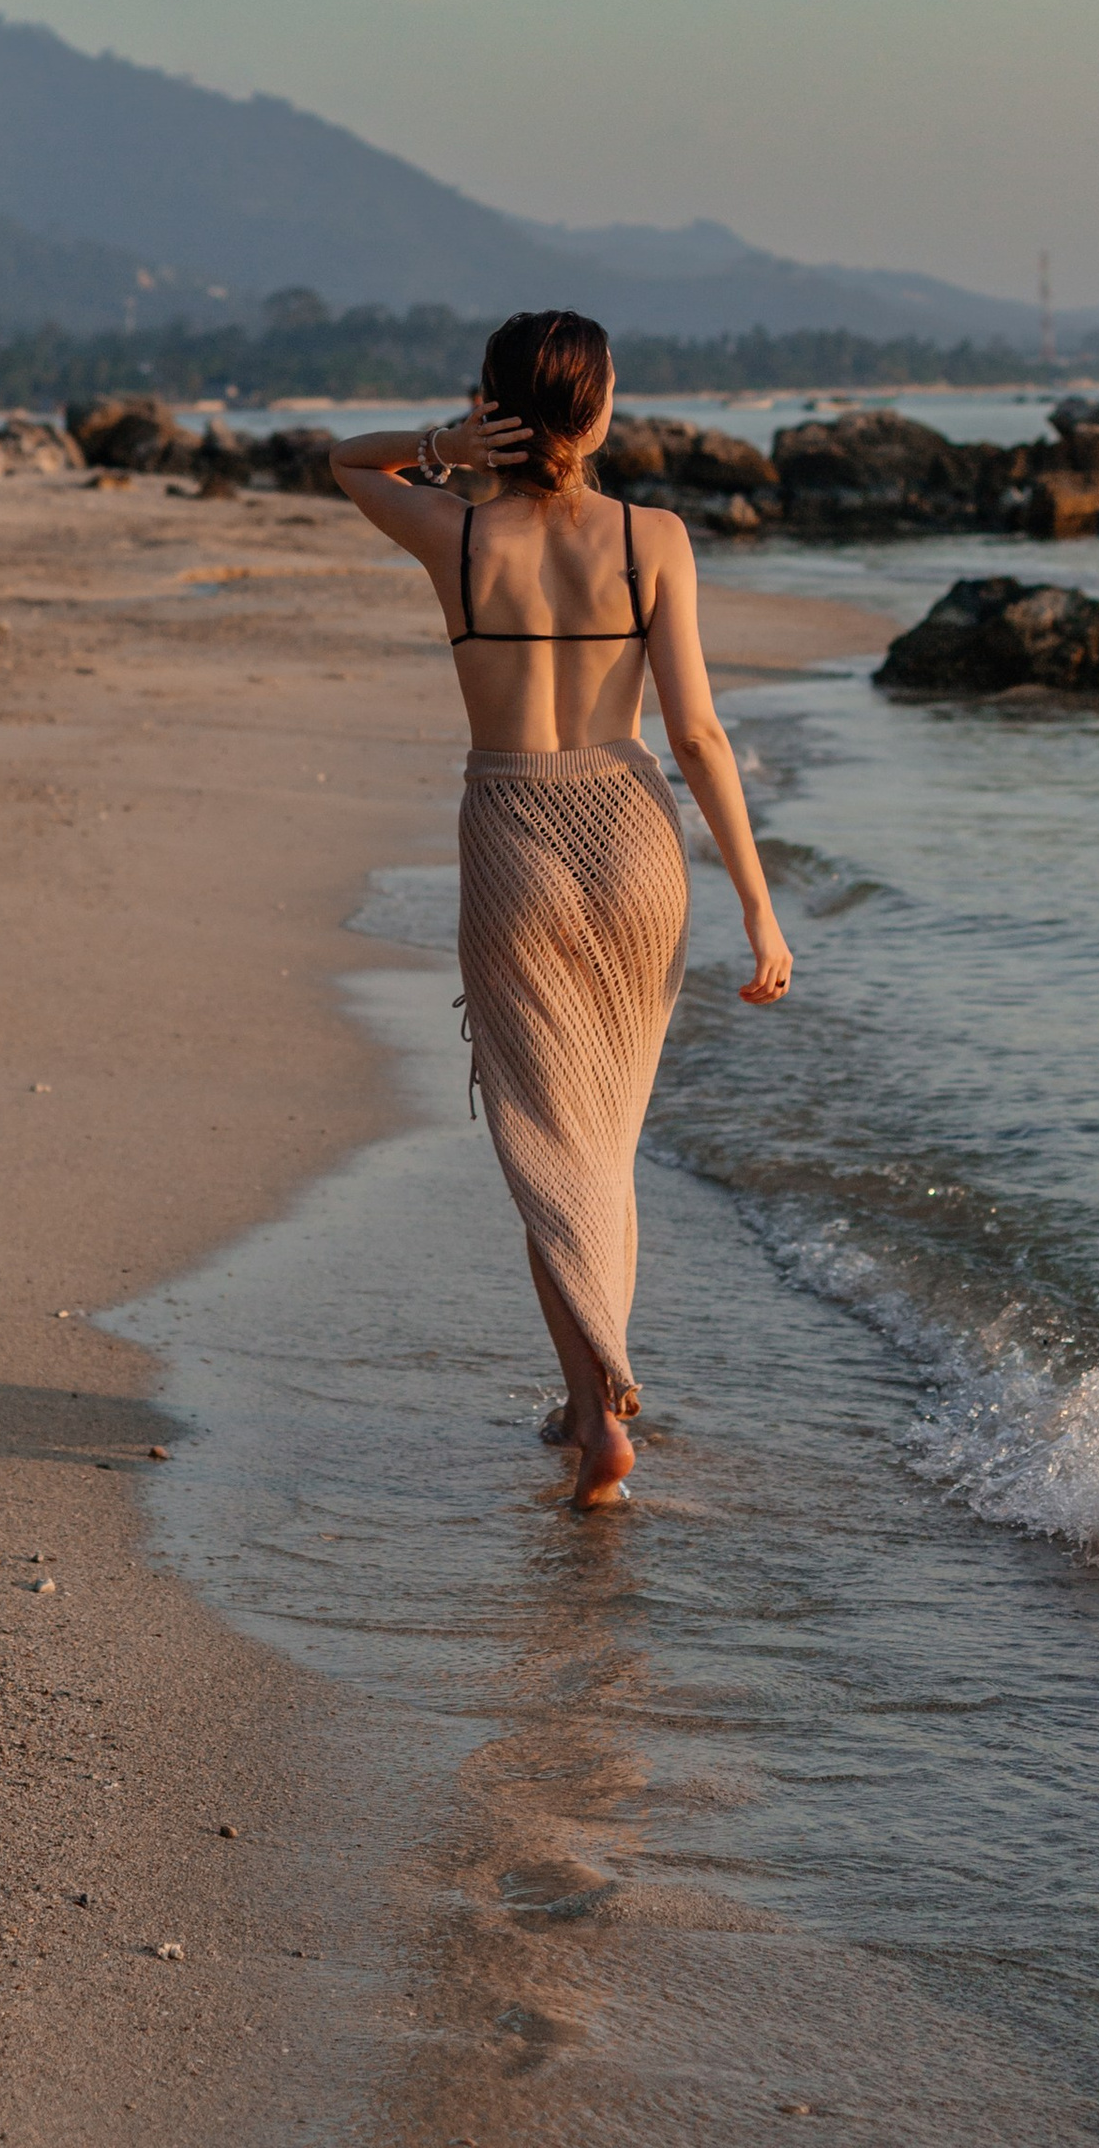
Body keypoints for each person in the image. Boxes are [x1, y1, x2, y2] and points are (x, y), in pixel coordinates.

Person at [332, 308, 791, 1511]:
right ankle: (595, 1395)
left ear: (495, 408)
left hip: (516, 836)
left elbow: (338, 460)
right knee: (605, 1142)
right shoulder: (656, 539)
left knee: (546, 1144)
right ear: (594, 413)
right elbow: (693, 731)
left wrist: (443, 445)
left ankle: (597, 1416)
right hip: (637, 843)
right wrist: (759, 906)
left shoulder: (455, 531)